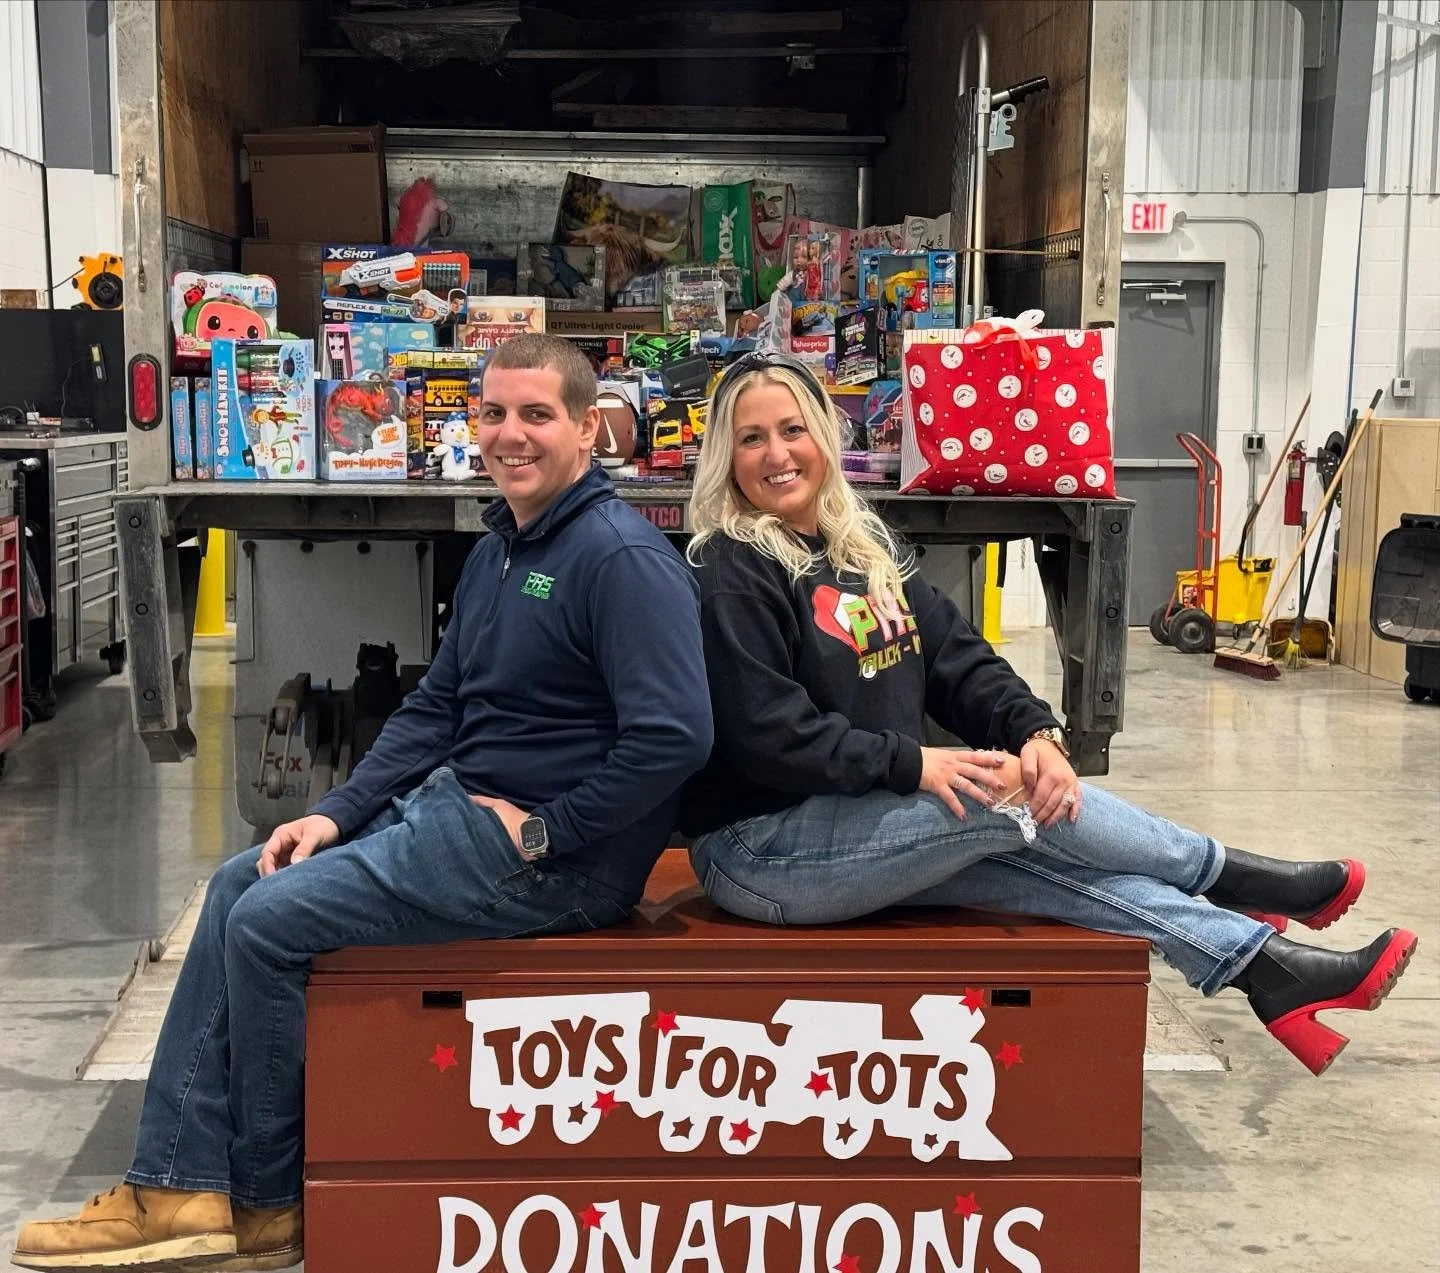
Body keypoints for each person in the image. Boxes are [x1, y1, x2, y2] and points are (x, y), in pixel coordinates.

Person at [12, 335, 713, 1272]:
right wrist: (335, 812)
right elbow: (437, 706)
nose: (510, 434)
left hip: (554, 864)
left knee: (265, 924)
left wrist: (551, 830)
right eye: (493, 412)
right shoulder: (505, 547)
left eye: (536, 415)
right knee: (239, 881)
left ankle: (263, 1204)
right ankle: (179, 1185)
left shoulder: (618, 557)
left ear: (588, 428)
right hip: (465, 811)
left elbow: (676, 736)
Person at [678, 351, 1416, 1079]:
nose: (777, 454)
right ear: (727, 456)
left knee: (1028, 853)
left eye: (792, 429)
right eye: (752, 438)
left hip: (863, 827)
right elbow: (767, 734)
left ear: (823, 439)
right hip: (762, 846)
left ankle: (1262, 965)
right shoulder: (732, 567)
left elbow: (960, 660)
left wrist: (1037, 735)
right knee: (1005, 803)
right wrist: (917, 763)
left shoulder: (860, 549)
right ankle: (1229, 874)